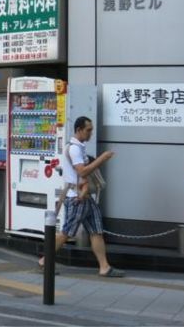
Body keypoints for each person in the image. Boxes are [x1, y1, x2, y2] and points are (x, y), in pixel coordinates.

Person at [38, 116, 124, 277]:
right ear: (79, 130)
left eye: (91, 129)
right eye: (88, 130)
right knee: (67, 232)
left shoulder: (79, 147)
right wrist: (102, 159)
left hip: (85, 196)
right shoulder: (75, 149)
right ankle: (44, 259)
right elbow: (82, 172)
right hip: (76, 197)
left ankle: (104, 267)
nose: (90, 133)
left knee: (96, 230)